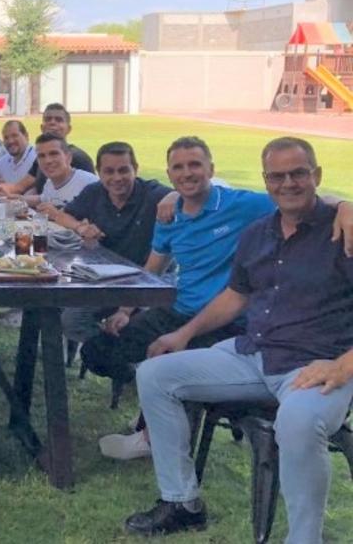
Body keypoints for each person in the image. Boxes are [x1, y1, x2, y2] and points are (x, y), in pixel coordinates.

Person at [124, 137, 353, 543]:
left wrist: (343, 365)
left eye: (298, 173)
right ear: (265, 181)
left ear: (316, 175)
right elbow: (236, 296)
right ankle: (182, 503)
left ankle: (305, 539)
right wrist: (184, 333)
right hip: (254, 353)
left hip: (317, 365)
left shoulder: (343, 231)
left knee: (298, 421)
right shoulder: (257, 233)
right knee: (155, 374)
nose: (288, 183)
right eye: (277, 176)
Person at [84, 137, 279, 460]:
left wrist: (343, 207)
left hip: (226, 320)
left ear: (211, 169)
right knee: (98, 351)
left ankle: (152, 437)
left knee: (165, 358)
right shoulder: (169, 214)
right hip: (177, 310)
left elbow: (302, 200)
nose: (187, 173)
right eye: (178, 167)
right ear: (169, 174)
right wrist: (125, 310)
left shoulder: (243, 205)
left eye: (195, 165)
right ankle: (158, 405)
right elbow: (153, 268)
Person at [46, 142, 173, 344]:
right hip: (107, 280)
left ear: (135, 169)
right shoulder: (94, 192)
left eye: (123, 170)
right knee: (72, 318)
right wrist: (80, 227)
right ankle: (110, 354)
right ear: (99, 172)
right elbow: (63, 216)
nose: (117, 178)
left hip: (150, 280)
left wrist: (174, 196)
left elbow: (188, 194)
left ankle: (121, 353)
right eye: (109, 171)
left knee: (139, 325)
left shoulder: (152, 194)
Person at [1, 103, 95, 196]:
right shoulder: (41, 155)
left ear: (68, 129)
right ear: (42, 128)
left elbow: (92, 196)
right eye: (48, 119)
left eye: (59, 120)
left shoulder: (79, 158)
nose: (52, 123)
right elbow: (23, 187)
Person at [0, 133, 97, 209]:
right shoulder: (50, 183)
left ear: (68, 157)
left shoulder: (88, 183)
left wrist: (56, 215)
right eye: (41, 156)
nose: (47, 161)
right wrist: (9, 198)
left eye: (54, 154)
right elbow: (41, 199)